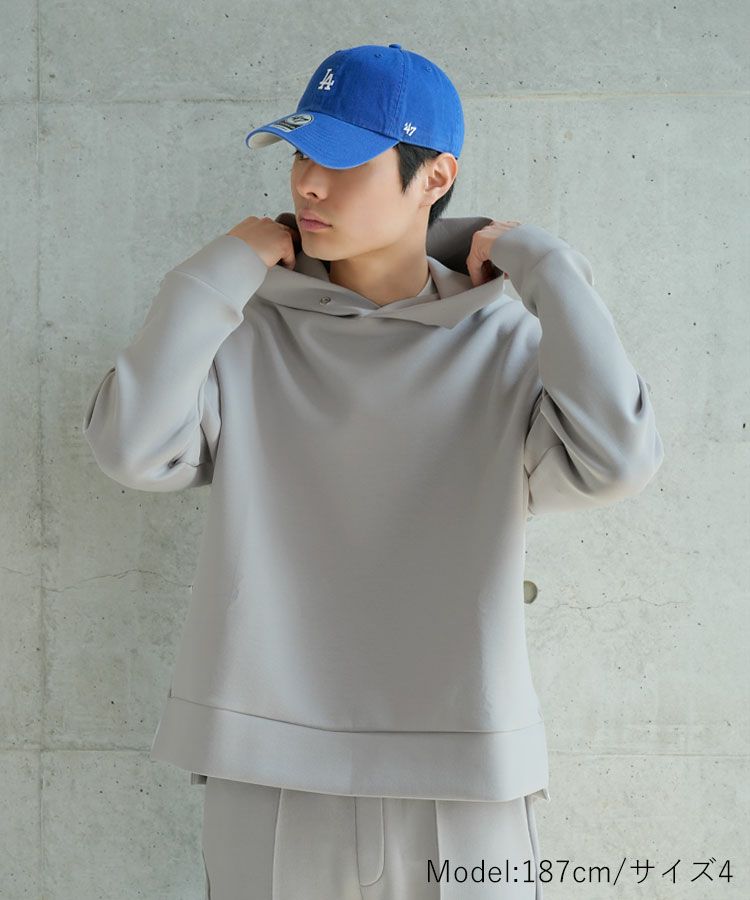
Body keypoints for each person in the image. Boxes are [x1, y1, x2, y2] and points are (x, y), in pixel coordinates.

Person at [82, 43, 664, 899]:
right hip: (270, 767)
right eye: (300, 155)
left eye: (344, 161)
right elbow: (132, 449)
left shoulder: (506, 340)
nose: (308, 184)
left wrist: (543, 264)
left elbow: (616, 460)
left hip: (465, 768)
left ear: (435, 178)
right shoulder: (240, 331)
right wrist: (216, 273)